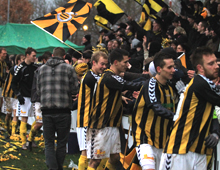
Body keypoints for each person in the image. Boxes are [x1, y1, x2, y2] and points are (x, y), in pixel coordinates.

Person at [159, 46, 220, 170]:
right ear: (200, 68)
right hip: (180, 149)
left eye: (216, 62)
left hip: (199, 151)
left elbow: (213, 111)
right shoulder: (200, 83)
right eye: (211, 64)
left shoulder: (206, 86)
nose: (217, 66)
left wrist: (215, 132)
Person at [86, 48, 142, 170]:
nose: (127, 65)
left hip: (112, 125)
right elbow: (132, 85)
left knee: (115, 157)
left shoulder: (112, 77)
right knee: (95, 160)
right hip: (101, 124)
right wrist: (152, 80)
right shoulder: (109, 77)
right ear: (116, 62)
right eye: (125, 62)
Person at [132, 49, 176, 170]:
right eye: (170, 67)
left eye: (174, 67)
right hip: (146, 138)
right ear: (159, 69)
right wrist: (177, 117)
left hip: (164, 142)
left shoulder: (172, 88)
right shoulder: (151, 84)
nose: (173, 70)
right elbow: (156, 107)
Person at [36, 47, 78, 170]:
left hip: (47, 110)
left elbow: (39, 91)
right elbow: (75, 90)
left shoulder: (41, 69)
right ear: (64, 57)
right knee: (61, 143)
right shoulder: (69, 69)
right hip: (63, 110)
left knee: (49, 143)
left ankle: (53, 168)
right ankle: (57, 168)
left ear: (52, 55)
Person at [77, 51, 108, 170]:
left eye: (106, 64)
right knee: (86, 154)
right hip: (86, 120)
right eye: (102, 64)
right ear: (93, 63)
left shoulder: (96, 76)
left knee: (97, 154)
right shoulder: (90, 78)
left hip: (91, 120)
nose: (104, 67)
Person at [11, 47, 38, 150]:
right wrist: (18, 95)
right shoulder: (20, 67)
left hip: (34, 98)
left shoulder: (35, 67)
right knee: (24, 119)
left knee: (38, 120)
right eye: (33, 56)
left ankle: (31, 139)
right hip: (24, 98)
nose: (35, 58)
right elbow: (14, 83)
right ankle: (23, 142)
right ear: (27, 55)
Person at [2, 54, 25, 135]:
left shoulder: (22, 69)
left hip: (16, 95)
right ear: (18, 61)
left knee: (15, 113)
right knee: (8, 113)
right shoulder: (14, 69)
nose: (24, 61)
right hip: (8, 94)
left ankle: (13, 132)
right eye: (23, 59)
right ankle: (7, 127)